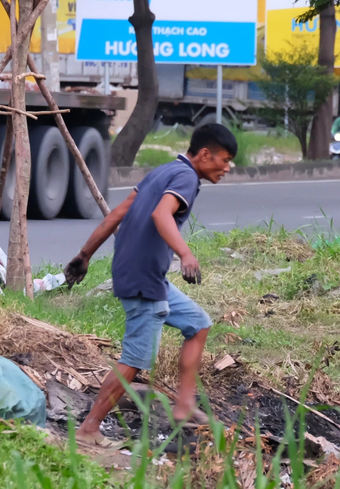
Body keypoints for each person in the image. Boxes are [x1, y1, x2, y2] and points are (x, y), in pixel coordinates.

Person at [61, 123, 237, 448]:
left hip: (143, 274)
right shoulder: (184, 177)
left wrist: (84, 255)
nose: (227, 168)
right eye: (224, 160)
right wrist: (185, 253)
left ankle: (184, 407)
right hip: (144, 279)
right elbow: (161, 214)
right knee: (135, 359)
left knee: (198, 324)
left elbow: (118, 213)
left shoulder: (164, 171)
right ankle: (89, 428)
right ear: (204, 154)